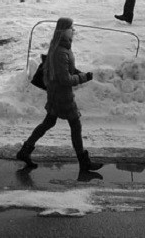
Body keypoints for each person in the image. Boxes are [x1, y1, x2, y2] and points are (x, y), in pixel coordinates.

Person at [15, 17, 101, 177]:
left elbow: (69, 70)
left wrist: (80, 73)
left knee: (48, 123)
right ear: (63, 31)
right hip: (62, 96)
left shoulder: (62, 47)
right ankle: (84, 163)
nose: (74, 31)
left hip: (57, 93)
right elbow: (65, 79)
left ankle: (25, 150)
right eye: (71, 28)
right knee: (75, 126)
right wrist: (84, 78)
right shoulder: (61, 52)